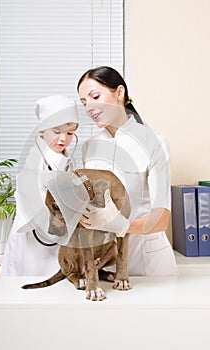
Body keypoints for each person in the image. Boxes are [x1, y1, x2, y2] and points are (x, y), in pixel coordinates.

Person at [77, 66, 178, 276]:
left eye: (95, 96)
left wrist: (118, 225)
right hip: (105, 261)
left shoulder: (153, 143)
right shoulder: (89, 148)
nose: (89, 108)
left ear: (119, 93)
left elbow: (161, 219)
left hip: (148, 260)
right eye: (84, 103)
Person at [0, 95, 79, 276]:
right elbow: (27, 193)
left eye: (70, 133)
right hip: (34, 234)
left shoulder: (69, 159)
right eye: (56, 132)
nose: (63, 139)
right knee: (29, 282)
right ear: (42, 131)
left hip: (57, 230)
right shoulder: (34, 157)